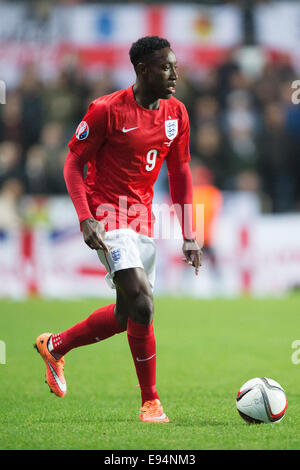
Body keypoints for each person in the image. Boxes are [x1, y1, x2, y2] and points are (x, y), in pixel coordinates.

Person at [34, 36, 202, 423]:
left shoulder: (176, 113)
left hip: (142, 219)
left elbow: (179, 173)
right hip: (108, 217)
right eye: (166, 67)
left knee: (127, 316)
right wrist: (85, 216)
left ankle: (55, 346)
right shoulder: (106, 110)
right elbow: (73, 165)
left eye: (175, 66)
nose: (175, 73)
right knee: (143, 301)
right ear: (143, 70)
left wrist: (190, 233)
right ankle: (151, 402)